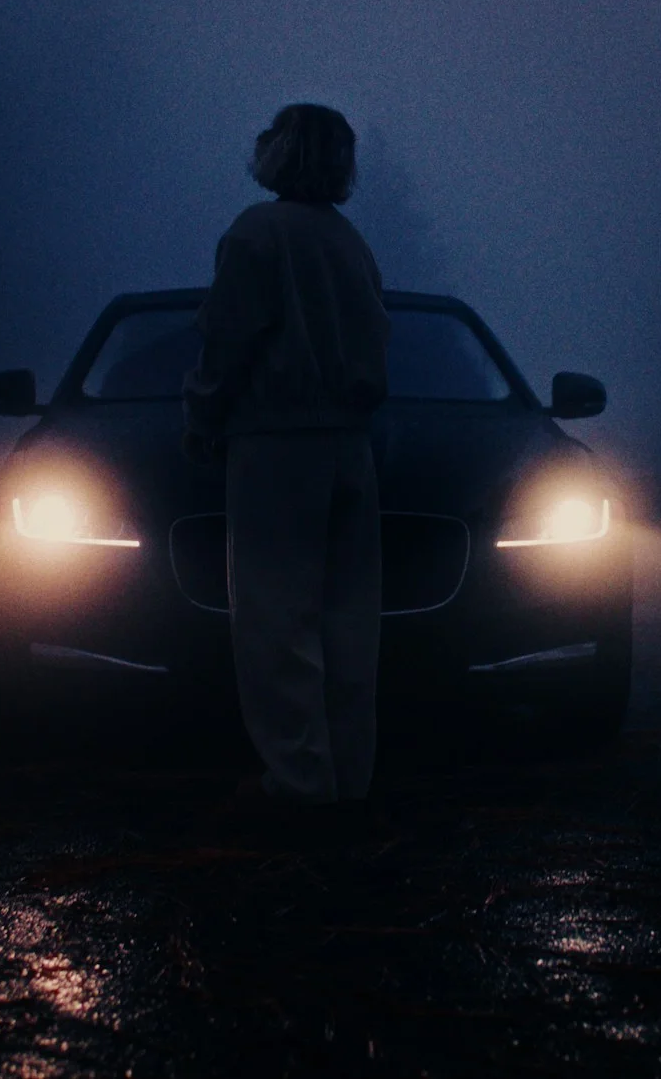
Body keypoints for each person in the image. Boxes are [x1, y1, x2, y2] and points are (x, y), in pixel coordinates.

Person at [183, 103, 392, 810]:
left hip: (275, 444)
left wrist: (203, 416)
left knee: (277, 619)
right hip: (349, 446)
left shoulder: (256, 235)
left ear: (278, 153)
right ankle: (348, 777)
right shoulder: (349, 242)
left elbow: (226, 339)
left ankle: (299, 783)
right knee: (349, 620)